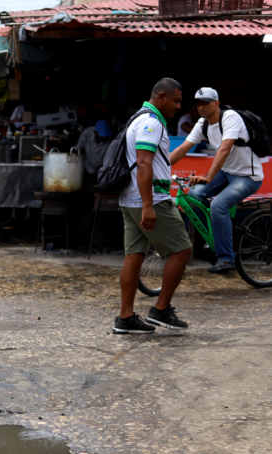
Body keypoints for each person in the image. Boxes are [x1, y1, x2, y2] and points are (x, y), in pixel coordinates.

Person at [114, 78, 192, 335]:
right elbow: (144, 164)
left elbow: (156, 161)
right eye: (176, 100)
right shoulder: (151, 122)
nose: (179, 106)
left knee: (134, 256)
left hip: (129, 199)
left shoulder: (138, 118)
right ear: (161, 97)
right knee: (182, 250)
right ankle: (160, 310)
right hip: (150, 200)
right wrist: (148, 205)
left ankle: (125, 318)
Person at [170, 87, 265, 273]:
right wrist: (160, 166)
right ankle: (216, 236)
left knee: (218, 205)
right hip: (227, 172)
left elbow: (224, 149)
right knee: (195, 195)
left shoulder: (230, 117)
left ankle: (226, 259)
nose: (201, 107)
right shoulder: (203, 124)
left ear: (217, 103)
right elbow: (183, 148)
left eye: (205, 103)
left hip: (248, 176)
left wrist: (207, 177)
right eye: (198, 103)